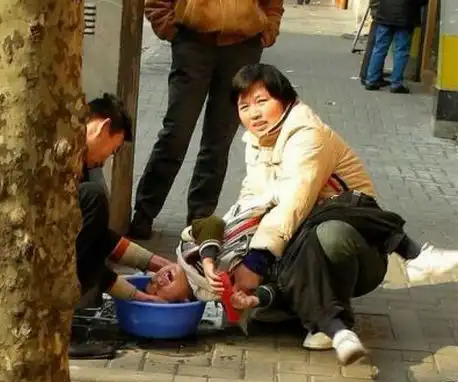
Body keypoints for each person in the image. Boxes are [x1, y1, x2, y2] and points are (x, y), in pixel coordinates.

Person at [144, 64, 458, 364]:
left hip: (357, 243)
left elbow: (294, 201)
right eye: (244, 106)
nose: (254, 113)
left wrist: (255, 262)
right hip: (300, 238)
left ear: (285, 99)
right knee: (273, 283)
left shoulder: (308, 134)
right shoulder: (257, 141)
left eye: (262, 101)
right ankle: (329, 323)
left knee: (326, 234)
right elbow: (251, 200)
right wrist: (239, 256)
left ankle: (388, 277)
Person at [129, 0, 284, 240]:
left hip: (240, 53)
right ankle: (144, 211)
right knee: (176, 132)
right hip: (193, 48)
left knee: (218, 141)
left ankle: (199, 220)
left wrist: (266, 32)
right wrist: (172, 31)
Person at [0, 94, 169, 306]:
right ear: (103, 128)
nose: (108, 158)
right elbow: (81, 253)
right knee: (94, 198)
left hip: (11, 240)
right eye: (114, 149)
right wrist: (136, 295)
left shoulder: (79, 162)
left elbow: (94, 239)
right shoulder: (57, 148)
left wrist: (153, 264)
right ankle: (57, 307)